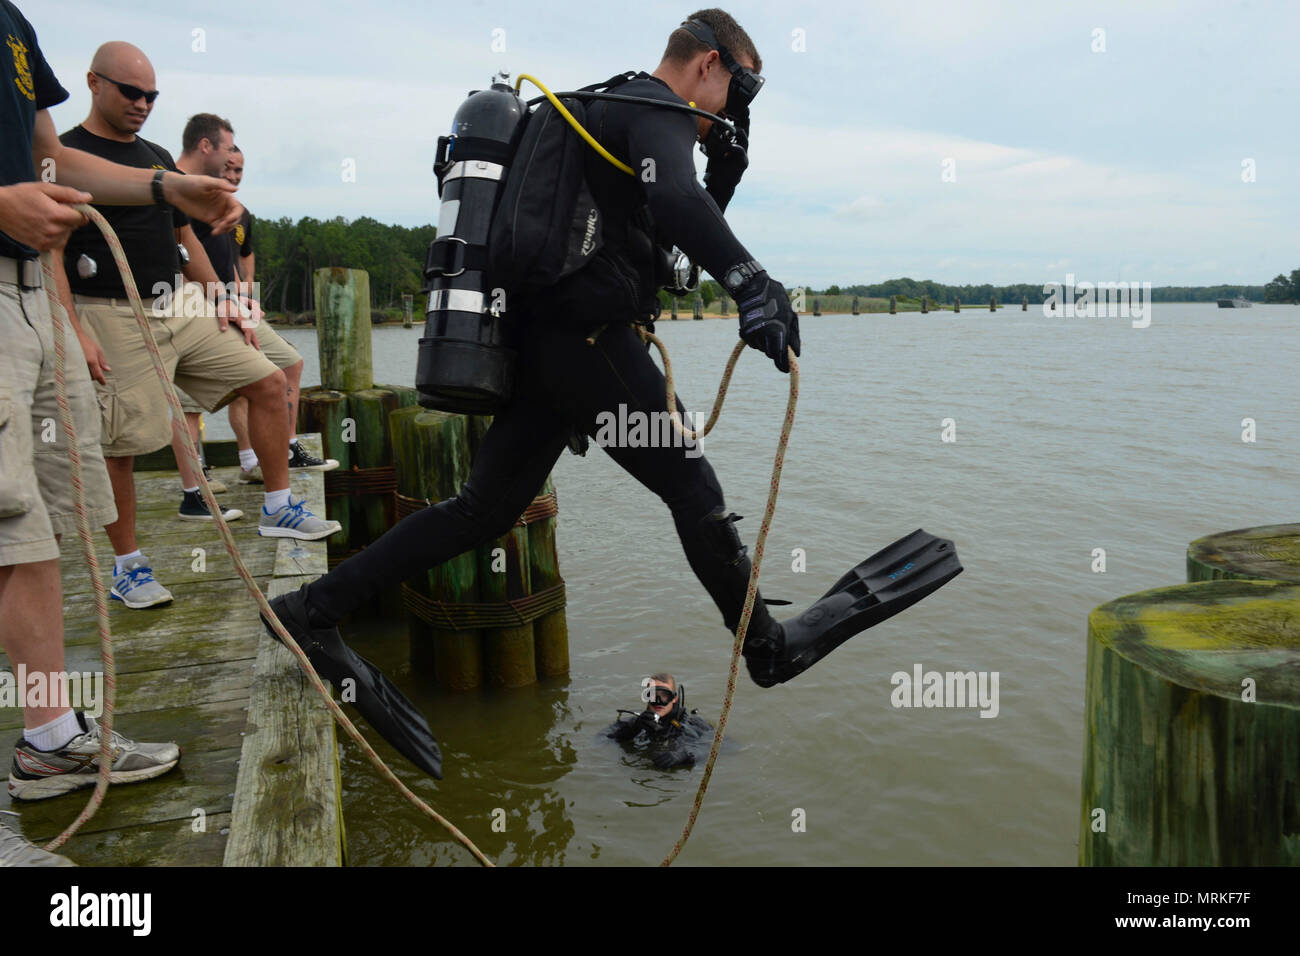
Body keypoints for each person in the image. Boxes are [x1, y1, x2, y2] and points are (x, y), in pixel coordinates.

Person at [266, 9, 960, 777]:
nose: (731, 111)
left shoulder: (600, 115)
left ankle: (312, 610)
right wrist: (753, 284)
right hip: (591, 340)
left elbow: (668, 231)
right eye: (738, 90)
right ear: (707, 65)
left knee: (483, 510)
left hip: (543, 349)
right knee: (694, 491)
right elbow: (676, 206)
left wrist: (726, 166)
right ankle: (767, 647)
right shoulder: (650, 105)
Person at [0, 0, 242, 864]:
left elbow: (49, 158)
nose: (142, 102)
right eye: (129, 89)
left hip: (30, 288)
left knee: (30, 531)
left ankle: (49, 737)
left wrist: (166, 188)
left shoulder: (15, 25)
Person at [55, 41, 340, 609]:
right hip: (109, 311)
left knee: (267, 378)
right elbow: (52, 252)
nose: (142, 103)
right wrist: (76, 331)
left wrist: (225, 300)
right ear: (93, 83)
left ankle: (277, 507)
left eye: (151, 95)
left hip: (179, 304)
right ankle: (128, 567)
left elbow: (186, 239)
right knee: (122, 446)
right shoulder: (64, 154)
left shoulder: (156, 154)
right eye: (130, 92)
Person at [606, 673, 712, 769]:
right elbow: (603, 740)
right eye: (653, 695)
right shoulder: (636, 722)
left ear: (674, 698)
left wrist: (687, 755)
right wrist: (631, 730)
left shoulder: (694, 724)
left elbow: (720, 745)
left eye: (664, 695)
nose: (658, 701)